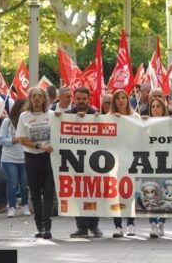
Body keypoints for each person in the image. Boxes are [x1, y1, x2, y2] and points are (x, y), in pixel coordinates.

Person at [15, 87, 55, 239]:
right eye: (34, 96)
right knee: (36, 194)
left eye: (40, 96)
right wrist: (39, 146)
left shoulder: (52, 115)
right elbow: (21, 138)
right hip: (32, 158)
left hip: (48, 158)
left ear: (45, 99)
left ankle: (47, 226)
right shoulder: (24, 116)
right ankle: (39, 225)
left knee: (49, 192)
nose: (37, 98)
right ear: (30, 99)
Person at [65, 87, 103, 238]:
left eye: (84, 99)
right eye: (78, 99)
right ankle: (81, 227)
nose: (81, 102)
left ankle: (94, 226)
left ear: (89, 99)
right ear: (74, 99)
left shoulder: (97, 115)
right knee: (78, 195)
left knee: (93, 194)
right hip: (75, 164)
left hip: (94, 163)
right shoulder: (67, 115)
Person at [109, 89, 139, 237]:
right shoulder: (109, 117)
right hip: (114, 162)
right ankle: (117, 226)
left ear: (127, 100)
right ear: (114, 101)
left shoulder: (135, 117)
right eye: (118, 98)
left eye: (123, 97)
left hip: (132, 161)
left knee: (130, 193)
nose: (121, 100)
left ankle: (131, 224)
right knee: (116, 194)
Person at [143, 97, 171, 238]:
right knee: (151, 195)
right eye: (153, 106)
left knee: (164, 195)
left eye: (158, 106)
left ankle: (162, 222)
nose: (155, 109)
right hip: (150, 163)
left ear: (163, 108)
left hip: (166, 163)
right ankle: (153, 224)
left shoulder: (170, 123)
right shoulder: (145, 123)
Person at [0, 99, 31, 218]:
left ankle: (25, 205)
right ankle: (11, 206)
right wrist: (13, 140)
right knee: (12, 183)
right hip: (9, 158)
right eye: (26, 107)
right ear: (19, 108)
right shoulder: (7, 121)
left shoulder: (28, 121)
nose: (28, 109)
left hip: (24, 157)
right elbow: (1, 139)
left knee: (24, 184)